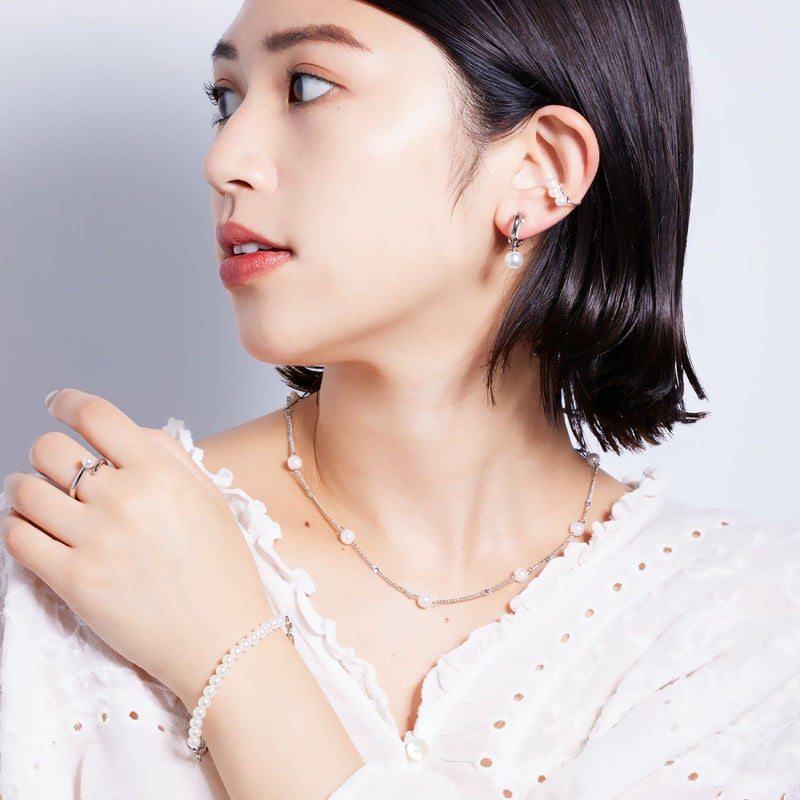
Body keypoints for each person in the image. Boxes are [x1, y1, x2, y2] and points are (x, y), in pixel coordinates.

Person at [1, 0, 798, 797]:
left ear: (540, 168)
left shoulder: (742, 628)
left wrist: (232, 655)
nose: (224, 160)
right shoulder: (99, 549)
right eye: (226, 99)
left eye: (307, 86)